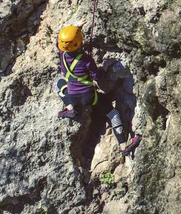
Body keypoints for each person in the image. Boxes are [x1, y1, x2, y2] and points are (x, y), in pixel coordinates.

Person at [55, 21, 140, 157]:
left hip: (73, 97)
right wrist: (104, 66)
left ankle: (70, 108)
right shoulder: (86, 59)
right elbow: (98, 77)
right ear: (78, 43)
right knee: (113, 114)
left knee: (59, 83)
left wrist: (74, 28)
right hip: (89, 97)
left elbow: (59, 40)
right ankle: (123, 147)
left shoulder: (62, 54)